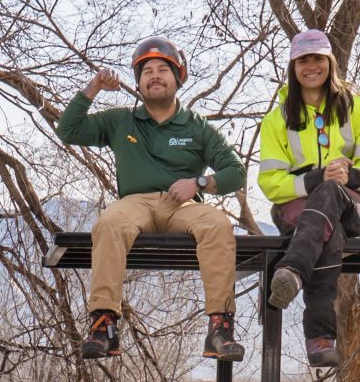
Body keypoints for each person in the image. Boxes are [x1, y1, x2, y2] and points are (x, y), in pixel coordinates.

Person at [59, 37, 249, 363]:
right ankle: (104, 324)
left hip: (183, 206)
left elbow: (236, 172)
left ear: (178, 78)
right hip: (135, 204)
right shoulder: (121, 121)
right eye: (147, 71)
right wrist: (94, 87)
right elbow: (68, 130)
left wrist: (200, 182)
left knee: (217, 223)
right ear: (139, 82)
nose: (155, 75)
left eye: (163, 69)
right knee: (110, 222)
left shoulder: (197, 127)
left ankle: (220, 326)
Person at [257, 29, 360, 368]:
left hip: (353, 207)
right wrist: (315, 179)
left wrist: (351, 176)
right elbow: (270, 183)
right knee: (325, 223)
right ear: (293, 66)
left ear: (330, 63)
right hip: (300, 213)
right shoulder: (277, 118)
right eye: (303, 60)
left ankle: (294, 273)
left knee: (330, 197)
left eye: (317, 58)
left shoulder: (356, 107)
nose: (311, 66)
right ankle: (321, 340)